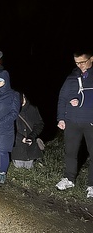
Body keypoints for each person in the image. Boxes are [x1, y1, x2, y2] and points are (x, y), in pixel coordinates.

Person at [56, 50, 93, 198]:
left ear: (91, 58)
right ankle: (69, 179)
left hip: (90, 121)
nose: (80, 66)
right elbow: (62, 98)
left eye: (82, 62)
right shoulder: (72, 77)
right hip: (72, 122)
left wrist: (82, 100)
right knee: (70, 152)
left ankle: (92, 185)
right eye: (77, 63)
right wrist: (61, 118)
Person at [12, 93, 44, 169]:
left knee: (28, 167)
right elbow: (8, 127)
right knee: (19, 166)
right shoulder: (11, 109)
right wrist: (20, 138)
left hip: (31, 147)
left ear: (24, 96)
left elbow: (39, 124)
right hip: (17, 148)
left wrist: (31, 137)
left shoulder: (33, 109)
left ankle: (38, 159)